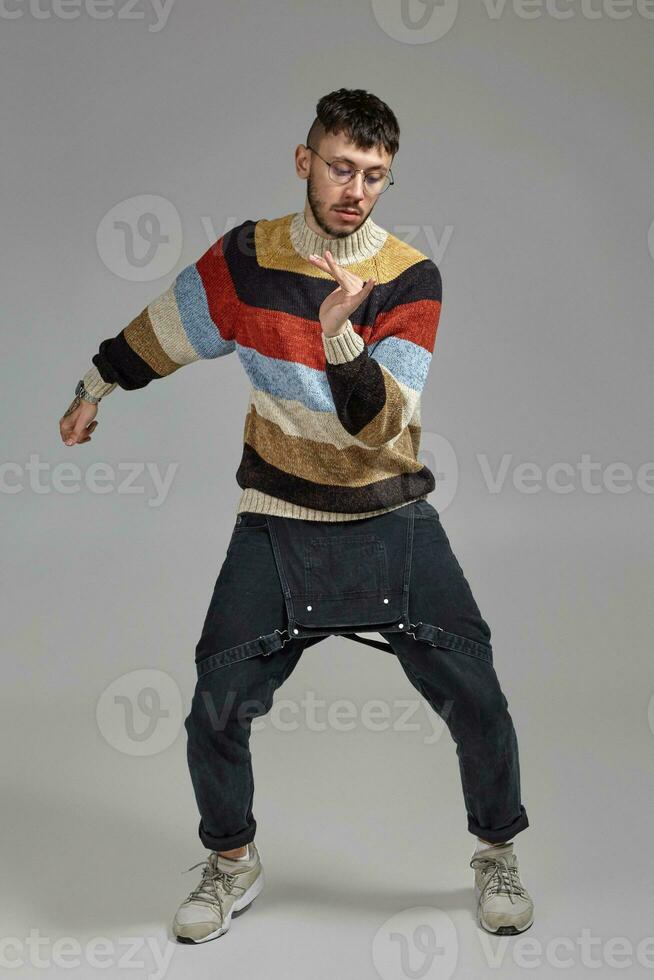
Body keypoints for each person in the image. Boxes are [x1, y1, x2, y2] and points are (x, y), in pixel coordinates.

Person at [59, 88, 534, 943]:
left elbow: (381, 424)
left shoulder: (411, 276)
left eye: (375, 176)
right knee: (217, 701)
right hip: (277, 514)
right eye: (342, 167)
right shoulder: (247, 259)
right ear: (305, 160)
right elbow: (167, 328)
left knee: (478, 695)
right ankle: (232, 862)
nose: (356, 189)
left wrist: (340, 333)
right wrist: (95, 387)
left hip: (389, 516)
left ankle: (496, 851)